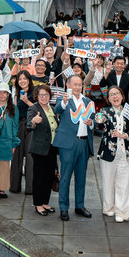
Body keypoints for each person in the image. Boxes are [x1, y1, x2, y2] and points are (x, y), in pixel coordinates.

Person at [53, 74, 95, 221]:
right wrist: (64, 101)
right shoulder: (63, 99)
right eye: (75, 84)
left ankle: (79, 206)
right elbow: (57, 109)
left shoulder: (88, 101)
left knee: (81, 177)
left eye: (80, 84)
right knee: (65, 177)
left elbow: (94, 121)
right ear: (68, 85)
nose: (78, 87)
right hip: (68, 144)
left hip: (83, 143)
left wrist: (92, 123)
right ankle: (64, 207)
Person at [94, 86, 129, 222]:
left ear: (122, 96)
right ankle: (108, 208)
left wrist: (124, 135)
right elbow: (100, 123)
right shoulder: (105, 111)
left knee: (124, 183)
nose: (115, 97)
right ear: (108, 99)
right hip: (108, 151)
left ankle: (122, 211)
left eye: (117, 93)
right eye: (112, 95)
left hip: (125, 152)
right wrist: (98, 120)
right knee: (108, 181)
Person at [27, 85, 58, 215]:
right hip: (39, 149)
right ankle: (38, 203)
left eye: (46, 95)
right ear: (37, 96)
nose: (44, 97)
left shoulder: (53, 109)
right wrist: (34, 121)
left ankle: (45, 202)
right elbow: (29, 125)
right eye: (41, 95)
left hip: (52, 148)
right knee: (39, 177)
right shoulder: (33, 108)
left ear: (50, 96)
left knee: (49, 176)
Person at [10, 70, 34, 195]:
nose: (22, 81)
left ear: (29, 80)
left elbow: (38, 109)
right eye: (20, 79)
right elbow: (15, 112)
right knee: (16, 156)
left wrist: (26, 101)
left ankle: (30, 188)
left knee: (30, 157)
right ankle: (14, 186)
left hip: (31, 126)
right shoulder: (17, 94)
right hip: (19, 125)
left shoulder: (34, 93)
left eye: (25, 78)